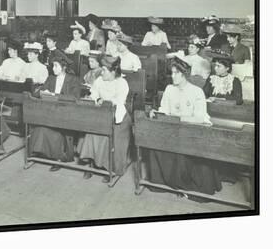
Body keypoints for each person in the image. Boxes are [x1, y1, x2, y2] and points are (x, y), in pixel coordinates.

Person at [147, 57, 222, 197]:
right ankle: (166, 182)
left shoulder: (197, 91)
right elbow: (165, 110)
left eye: (176, 73)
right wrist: (156, 112)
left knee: (187, 148)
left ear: (184, 74)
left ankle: (186, 185)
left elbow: (199, 117)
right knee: (155, 142)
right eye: (172, 73)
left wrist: (179, 119)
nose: (173, 76)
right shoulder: (169, 89)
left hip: (191, 130)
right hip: (174, 129)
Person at [77, 55, 132, 180]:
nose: (102, 72)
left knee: (109, 134)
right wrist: (96, 99)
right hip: (101, 113)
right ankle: (92, 163)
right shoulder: (99, 80)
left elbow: (119, 100)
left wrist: (106, 102)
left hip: (118, 116)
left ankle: (108, 167)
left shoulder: (122, 83)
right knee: (91, 131)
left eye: (104, 70)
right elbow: (94, 93)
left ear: (113, 72)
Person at [30, 56, 81, 171]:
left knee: (56, 131)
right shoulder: (51, 79)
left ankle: (58, 157)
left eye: (56, 66)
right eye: (53, 66)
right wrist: (41, 92)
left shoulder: (73, 80)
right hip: (51, 112)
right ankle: (41, 152)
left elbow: (75, 97)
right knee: (40, 127)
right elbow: (38, 93)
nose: (53, 68)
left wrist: (56, 96)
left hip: (66, 113)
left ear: (64, 67)